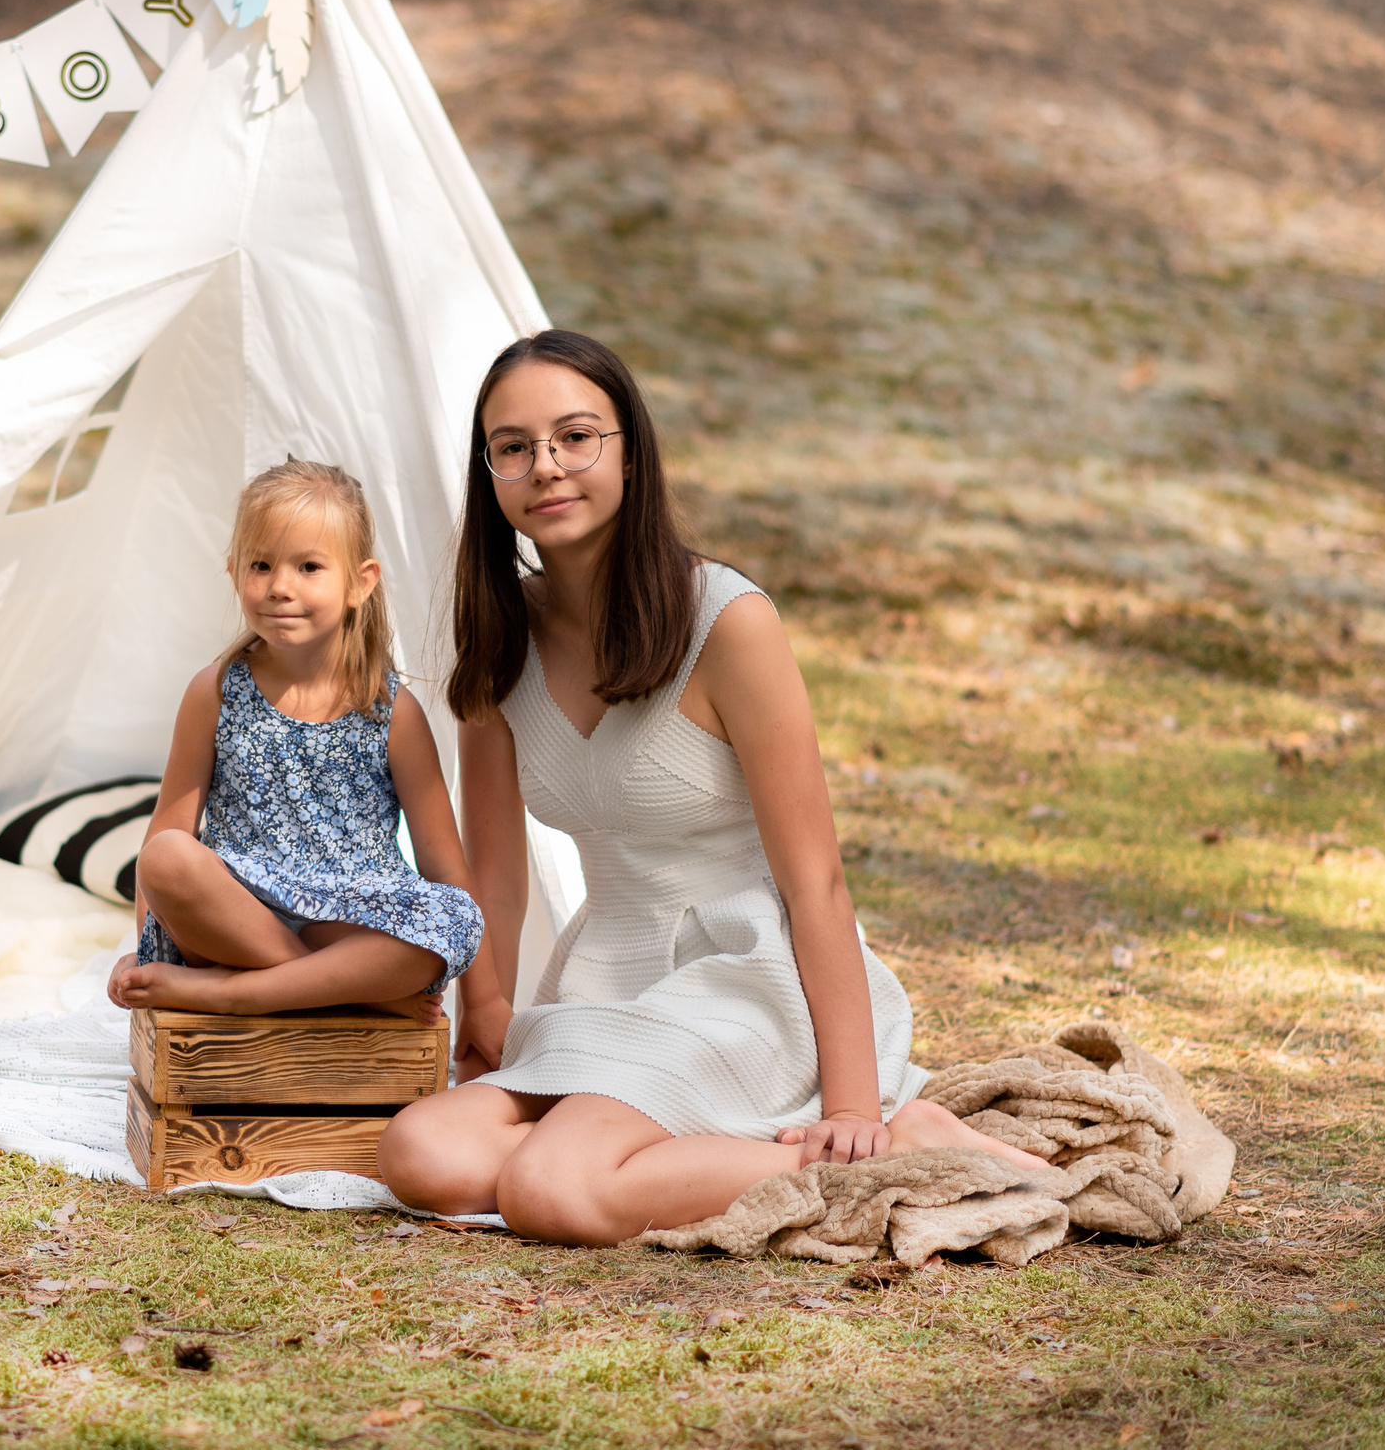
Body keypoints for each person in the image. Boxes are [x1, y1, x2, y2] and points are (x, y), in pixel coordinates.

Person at [378, 330, 1045, 1244]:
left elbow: (816, 882)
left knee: (550, 1188)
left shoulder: (727, 622)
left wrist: (851, 1104)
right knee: (423, 1154)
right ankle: (702, 1147)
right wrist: (485, 1006)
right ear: (488, 471)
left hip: (747, 974)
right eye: (514, 447)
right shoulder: (500, 637)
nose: (547, 466)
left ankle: (889, 1147)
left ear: (631, 451)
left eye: (577, 437)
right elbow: (497, 874)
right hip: (610, 977)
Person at [107, 460, 484, 1020]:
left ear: (361, 582)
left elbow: (445, 866)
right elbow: (169, 831)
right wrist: (142, 952)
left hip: (347, 922)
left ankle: (237, 994)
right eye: (261, 565)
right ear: (235, 572)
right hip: (236, 920)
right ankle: (354, 995)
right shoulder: (214, 692)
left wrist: (486, 1003)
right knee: (164, 858)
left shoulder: (392, 712)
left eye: (309, 566)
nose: (280, 587)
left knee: (457, 918)